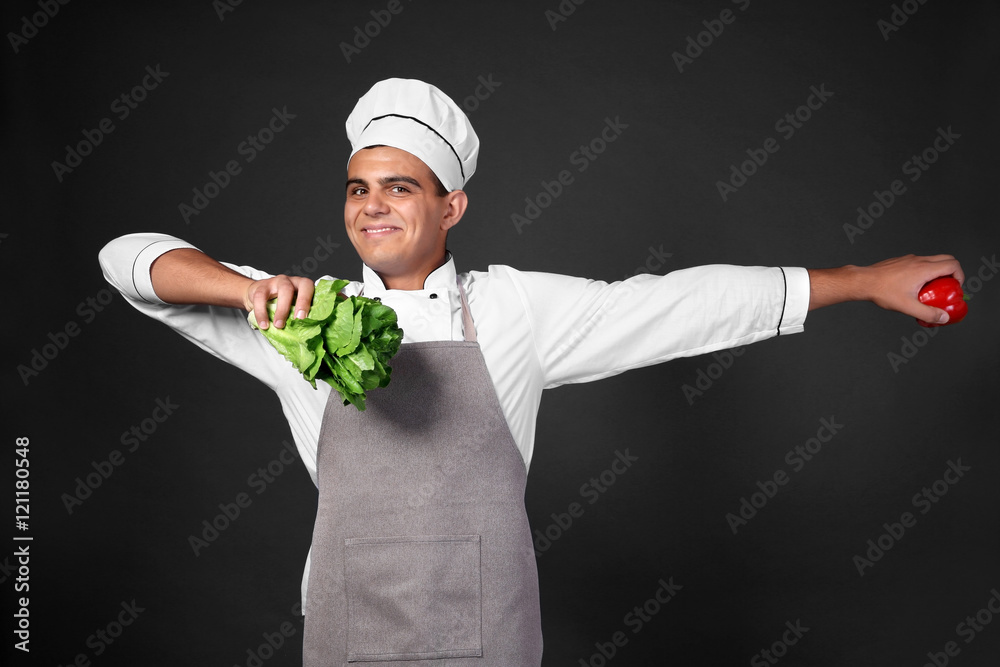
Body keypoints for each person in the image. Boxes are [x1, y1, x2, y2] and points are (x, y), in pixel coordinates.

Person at [99, 78, 964, 666]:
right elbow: (126, 259)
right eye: (360, 188)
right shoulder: (294, 315)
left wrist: (862, 281)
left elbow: (678, 304)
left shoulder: (514, 309)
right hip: (347, 635)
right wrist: (249, 291)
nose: (372, 205)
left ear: (451, 205)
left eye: (401, 187)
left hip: (492, 638)